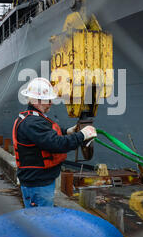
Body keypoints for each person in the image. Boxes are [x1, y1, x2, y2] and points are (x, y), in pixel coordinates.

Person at [12, 77, 97, 208]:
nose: (51, 103)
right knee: (41, 221)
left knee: (41, 219)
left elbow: (45, 135)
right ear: (36, 100)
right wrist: (82, 135)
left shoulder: (32, 118)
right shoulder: (32, 123)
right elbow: (56, 144)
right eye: (47, 100)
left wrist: (67, 131)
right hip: (38, 184)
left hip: (38, 181)